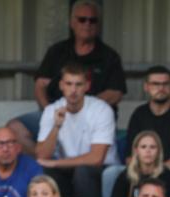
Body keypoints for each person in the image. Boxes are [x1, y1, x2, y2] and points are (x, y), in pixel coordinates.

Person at [8, 0, 126, 155]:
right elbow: (40, 85)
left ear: (98, 25)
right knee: (13, 129)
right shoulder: (57, 51)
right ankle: (45, 164)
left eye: (92, 20)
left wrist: (82, 108)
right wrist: (49, 111)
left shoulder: (109, 56)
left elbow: (116, 93)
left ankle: (64, 164)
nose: (87, 24)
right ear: (72, 22)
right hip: (57, 113)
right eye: (82, 19)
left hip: (91, 118)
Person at [36, 63, 119, 197]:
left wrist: (56, 163)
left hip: (101, 172)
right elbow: (42, 155)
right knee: (42, 172)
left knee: (83, 172)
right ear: (61, 85)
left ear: (87, 86)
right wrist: (56, 127)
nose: (73, 90)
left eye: (78, 84)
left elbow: (96, 158)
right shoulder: (51, 110)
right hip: (68, 173)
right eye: (69, 84)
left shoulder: (101, 110)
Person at [101, 131, 170, 197]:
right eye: (143, 147)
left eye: (152, 147)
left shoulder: (166, 175)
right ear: (136, 150)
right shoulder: (126, 174)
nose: (148, 151)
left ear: (158, 151)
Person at [126, 66, 170, 169]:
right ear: (146, 87)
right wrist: (144, 171)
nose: (161, 88)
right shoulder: (139, 114)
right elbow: (130, 154)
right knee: (113, 172)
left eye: (165, 84)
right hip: (144, 170)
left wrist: (159, 171)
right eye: (155, 84)